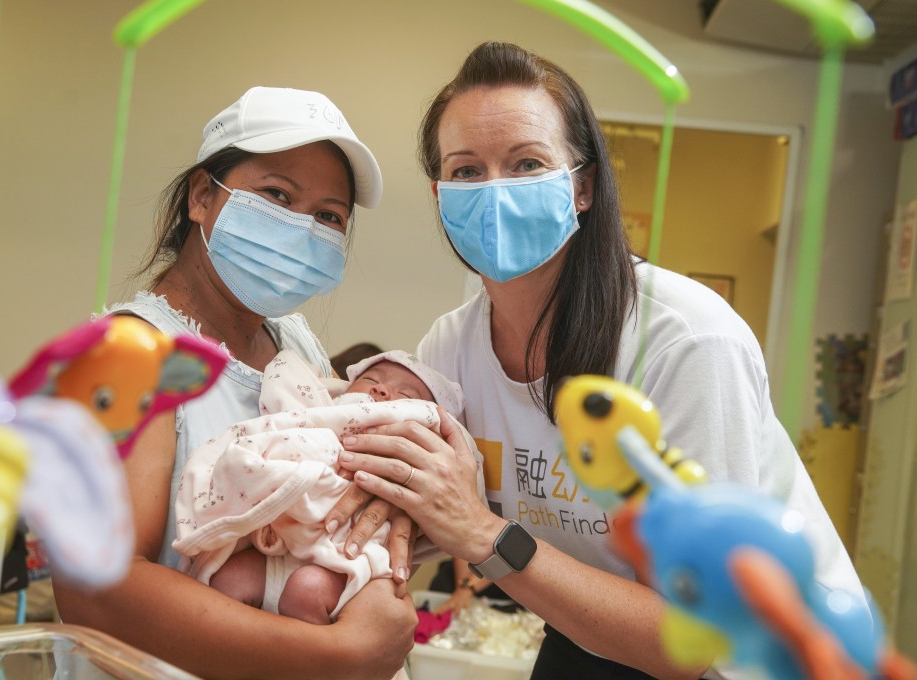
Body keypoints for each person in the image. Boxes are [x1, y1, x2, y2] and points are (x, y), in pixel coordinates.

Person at [331, 41, 868, 680]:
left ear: (581, 187)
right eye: (468, 171)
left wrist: (481, 533)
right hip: (600, 633)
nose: (495, 191)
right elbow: (417, 517)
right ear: (440, 193)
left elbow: (691, 641)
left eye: (527, 163)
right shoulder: (450, 349)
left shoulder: (684, 340)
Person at [52, 85, 417, 680]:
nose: (303, 227)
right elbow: (95, 590)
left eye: (329, 216)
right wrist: (335, 655)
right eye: (276, 194)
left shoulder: (292, 343)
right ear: (202, 196)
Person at [172, 349, 465, 631]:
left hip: (339, 563)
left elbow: (462, 474)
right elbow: (282, 411)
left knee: (307, 591)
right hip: (277, 551)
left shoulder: (417, 449)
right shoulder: (319, 412)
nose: (382, 391)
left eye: (406, 396)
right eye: (372, 380)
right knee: (228, 579)